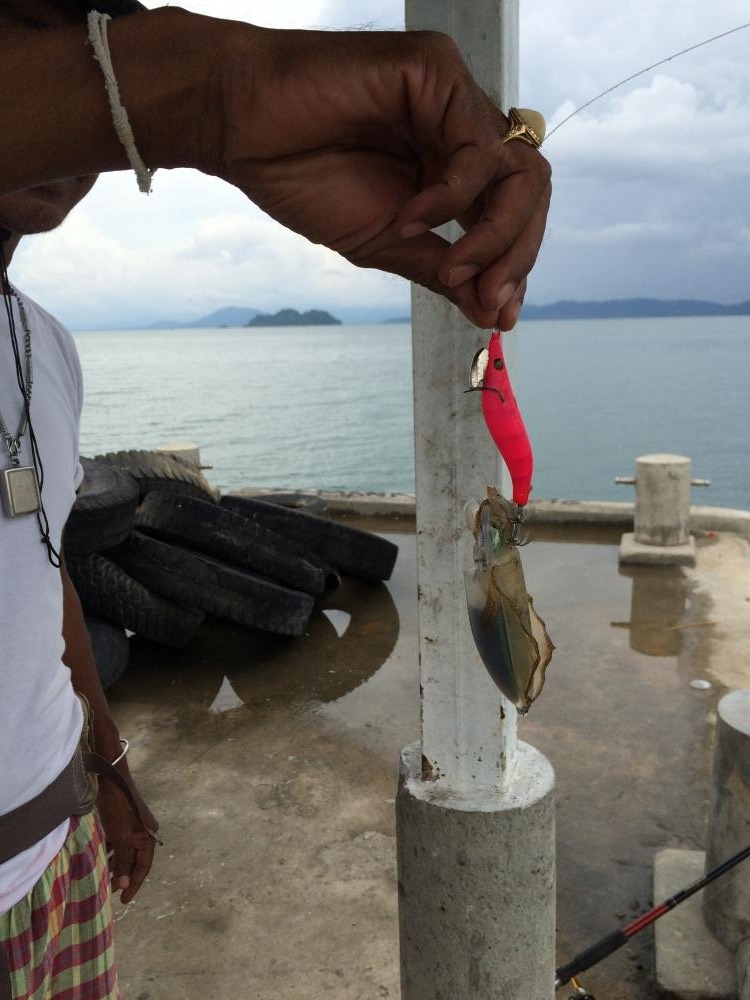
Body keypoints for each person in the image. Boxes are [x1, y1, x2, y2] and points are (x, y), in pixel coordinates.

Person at [0, 1, 551, 997]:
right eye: (30, 30)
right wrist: (200, 91)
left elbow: (39, 590)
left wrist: (107, 775)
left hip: (54, 859)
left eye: (89, 32)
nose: (72, 69)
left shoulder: (43, 348)